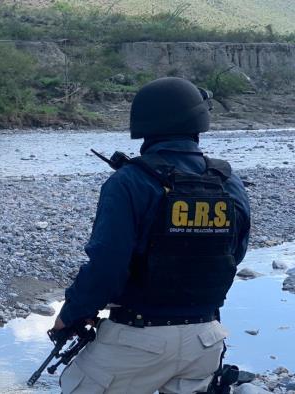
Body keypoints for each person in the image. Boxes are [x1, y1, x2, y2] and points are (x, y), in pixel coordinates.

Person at [51, 77, 251, 393]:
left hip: (137, 338)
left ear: (143, 123)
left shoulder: (129, 182)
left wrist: (72, 314)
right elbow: (234, 254)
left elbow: (107, 266)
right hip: (207, 341)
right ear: (198, 121)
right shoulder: (228, 181)